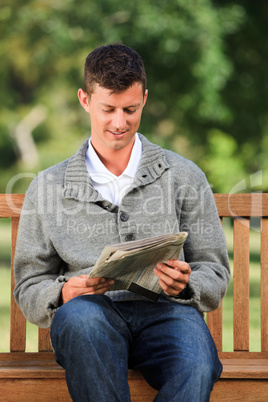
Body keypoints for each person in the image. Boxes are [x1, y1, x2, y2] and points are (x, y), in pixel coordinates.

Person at [14, 43, 230, 402]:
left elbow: (214, 270)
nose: (120, 122)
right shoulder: (49, 186)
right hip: (89, 316)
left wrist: (187, 283)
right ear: (85, 100)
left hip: (167, 312)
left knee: (198, 364)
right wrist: (63, 292)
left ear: (144, 99)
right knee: (82, 322)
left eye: (130, 109)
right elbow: (30, 282)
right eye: (108, 109)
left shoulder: (184, 176)